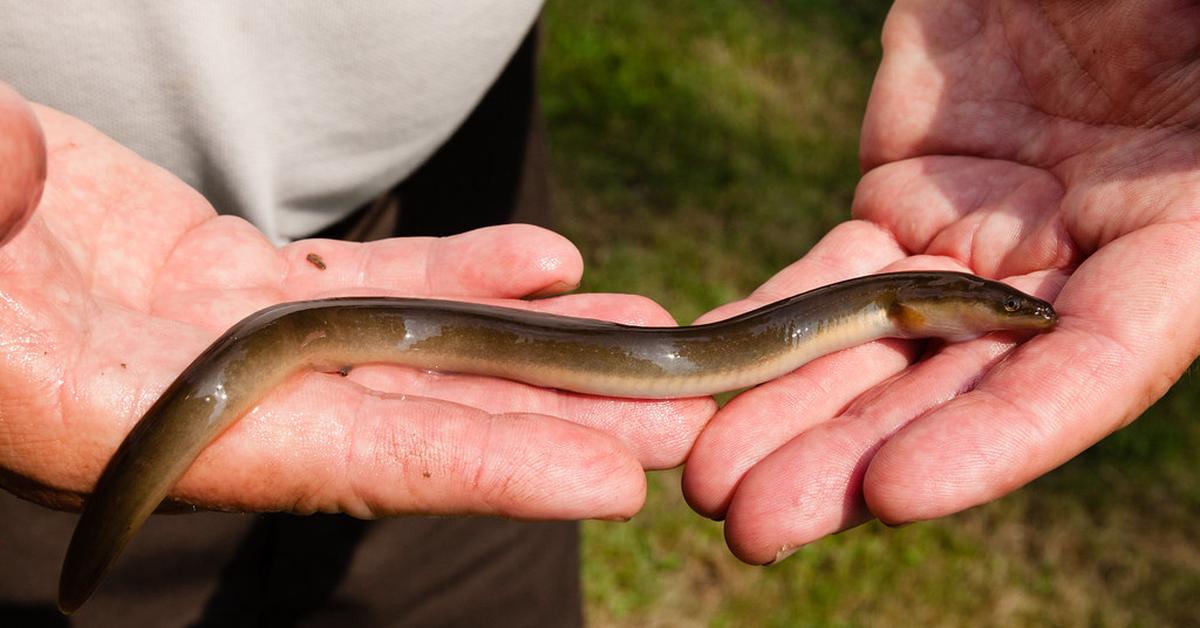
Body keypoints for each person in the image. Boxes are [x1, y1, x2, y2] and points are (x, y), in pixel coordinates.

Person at [1, 0, 1197, 624]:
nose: (994, 311)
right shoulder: (889, 295)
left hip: (445, 182)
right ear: (911, 302)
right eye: (981, 304)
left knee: (470, 575)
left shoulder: (891, 301)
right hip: (56, 240)